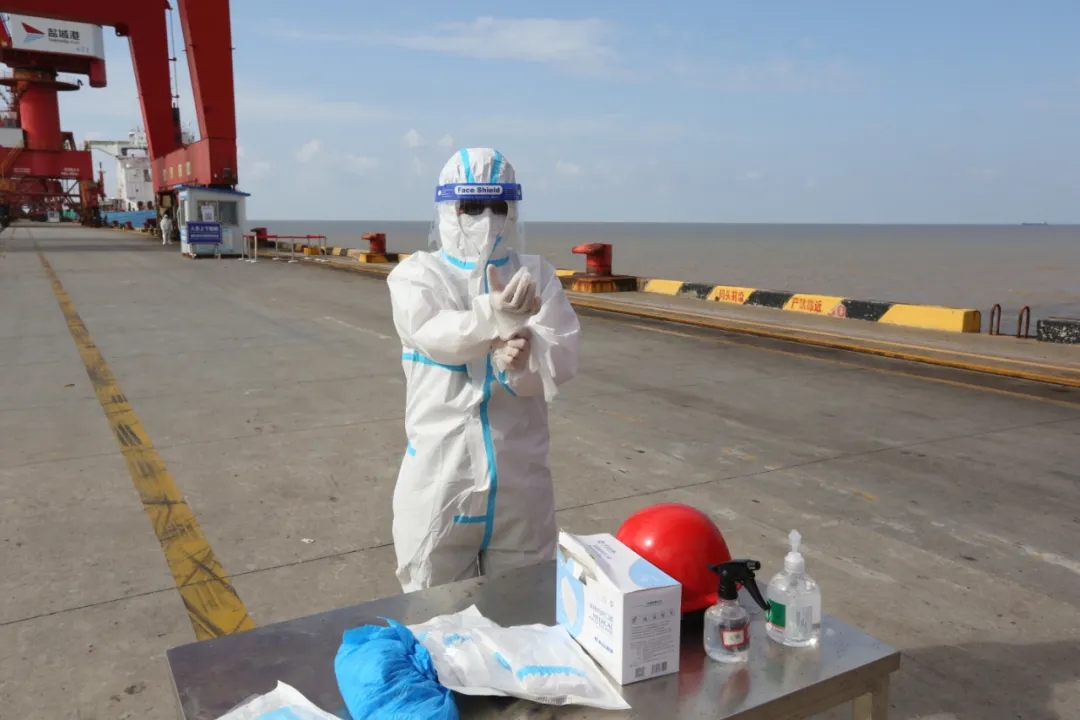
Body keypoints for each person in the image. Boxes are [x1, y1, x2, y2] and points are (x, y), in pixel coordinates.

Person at [386, 148, 581, 593]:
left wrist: (524, 358)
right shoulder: (418, 275)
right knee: (435, 609)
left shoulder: (535, 275)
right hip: (441, 481)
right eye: (472, 206)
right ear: (447, 208)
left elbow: (564, 353)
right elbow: (434, 332)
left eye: (497, 205)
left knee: (523, 607)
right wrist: (492, 316)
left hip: (520, 485)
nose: (486, 218)